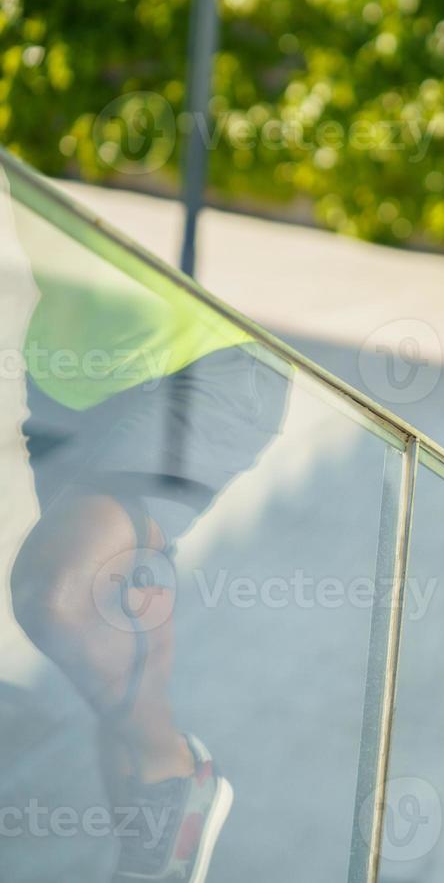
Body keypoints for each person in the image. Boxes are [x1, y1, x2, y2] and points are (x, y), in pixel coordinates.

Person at [5, 182, 291, 883]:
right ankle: (152, 858)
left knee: (58, 589)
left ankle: (175, 768)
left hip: (205, 359)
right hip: (69, 379)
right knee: (117, 618)